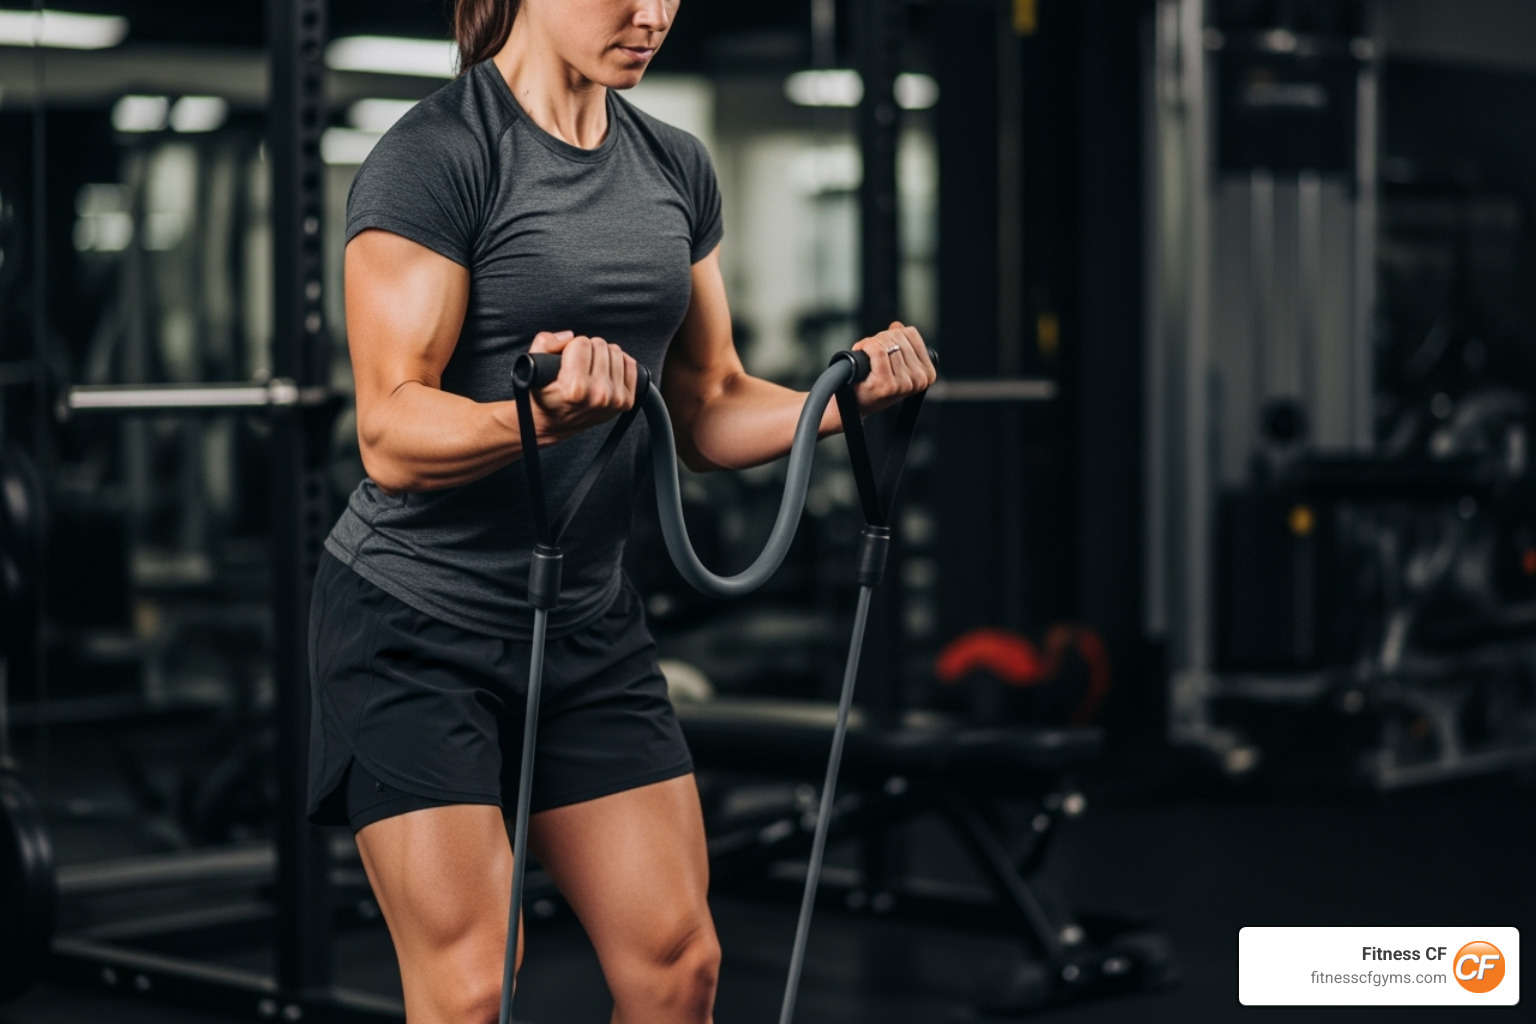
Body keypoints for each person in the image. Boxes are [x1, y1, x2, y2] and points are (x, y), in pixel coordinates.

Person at [305, 1, 938, 1021]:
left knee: (677, 964)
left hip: (585, 624)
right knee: (470, 987)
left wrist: (840, 396)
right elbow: (389, 430)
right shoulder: (437, 156)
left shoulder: (674, 167)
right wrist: (540, 418)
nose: (653, 16)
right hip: (414, 626)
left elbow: (707, 404)